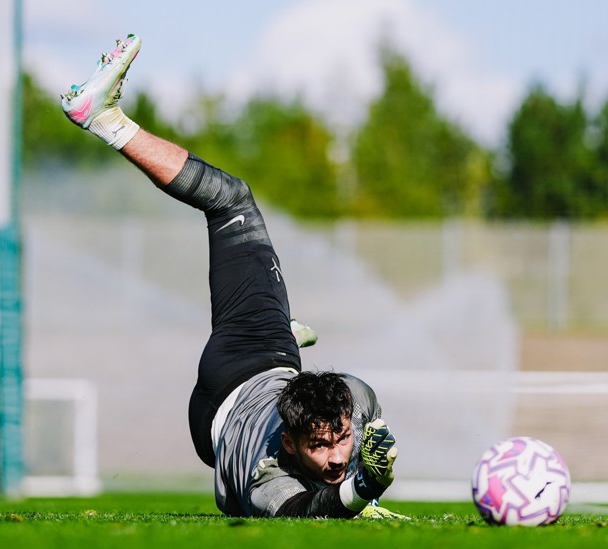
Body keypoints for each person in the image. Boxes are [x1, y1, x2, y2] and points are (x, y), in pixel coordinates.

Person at [60, 34, 405, 519]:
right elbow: (317, 507)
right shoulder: (276, 463)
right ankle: (103, 119)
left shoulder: (325, 426)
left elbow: (314, 503)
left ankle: (105, 119)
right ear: (289, 441)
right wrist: (364, 488)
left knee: (233, 202)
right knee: (231, 202)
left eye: (341, 439)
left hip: (229, 393)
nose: (337, 457)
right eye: (322, 445)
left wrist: (362, 480)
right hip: (248, 376)